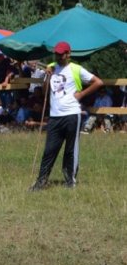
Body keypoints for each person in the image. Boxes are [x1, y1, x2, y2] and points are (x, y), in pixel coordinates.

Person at [30, 41, 104, 191]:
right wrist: (47, 77)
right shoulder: (51, 69)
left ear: (68, 54)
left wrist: (82, 94)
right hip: (55, 116)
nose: (58, 56)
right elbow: (45, 92)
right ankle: (41, 182)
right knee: (49, 150)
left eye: (61, 54)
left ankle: (70, 181)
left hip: (72, 114)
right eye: (56, 54)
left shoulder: (76, 69)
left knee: (71, 150)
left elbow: (98, 82)